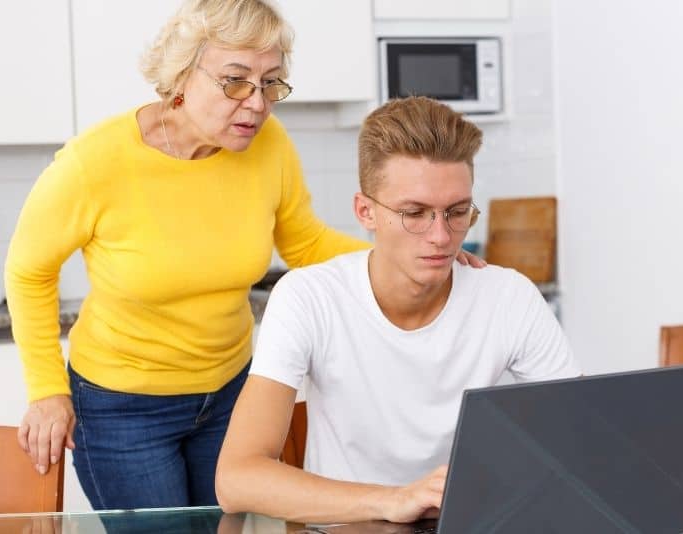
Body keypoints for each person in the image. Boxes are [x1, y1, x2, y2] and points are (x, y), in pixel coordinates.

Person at [5, 0, 487, 511]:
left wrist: (414, 252)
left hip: (230, 394)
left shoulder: (269, 146)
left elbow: (305, 244)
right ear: (182, 74)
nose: (256, 104)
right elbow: (28, 270)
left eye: (270, 83)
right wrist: (46, 390)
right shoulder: (93, 163)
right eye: (235, 81)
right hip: (124, 406)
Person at [215, 96, 582, 524]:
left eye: (457, 212)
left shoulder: (509, 297)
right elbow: (236, 479)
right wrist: (393, 500)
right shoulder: (308, 298)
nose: (441, 237)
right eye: (415, 214)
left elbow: (579, 445)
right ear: (365, 211)